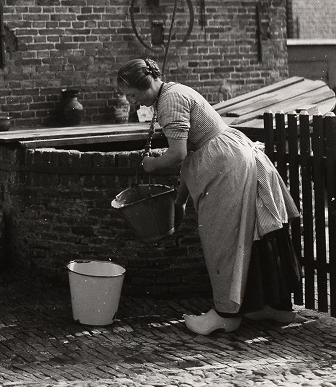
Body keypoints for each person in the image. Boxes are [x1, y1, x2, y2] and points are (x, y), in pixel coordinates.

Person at [117, 58, 301, 335]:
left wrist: (151, 165)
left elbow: (178, 155)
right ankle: (272, 306)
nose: (133, 103)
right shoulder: (174, 92)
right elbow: (189, 159)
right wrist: (179, 200)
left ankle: (226, 315)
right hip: (230, 158)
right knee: (251, 234)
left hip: (224, 166)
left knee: (222, 240)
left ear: (149, 83)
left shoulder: (169, 102)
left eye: (133, 95)